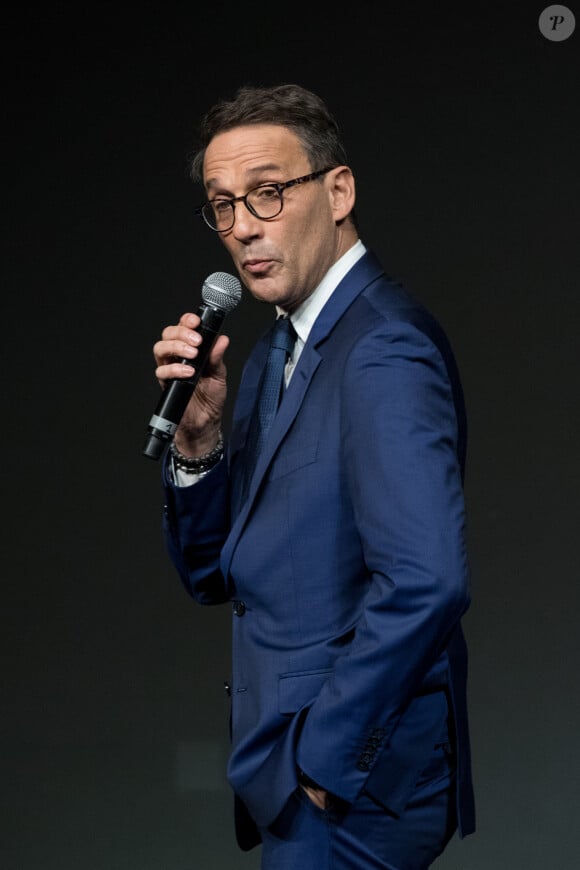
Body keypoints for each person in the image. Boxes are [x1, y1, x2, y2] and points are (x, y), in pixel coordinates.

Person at [152, 83, 475, 869]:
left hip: (351, 787)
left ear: (338, 191)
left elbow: (427, 580)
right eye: (222, 205)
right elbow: (216, 573)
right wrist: (197, 445)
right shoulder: (273, 353)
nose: (242, 229)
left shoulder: (382, 348)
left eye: (267, 193)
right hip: (291, 776)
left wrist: (324, 765)